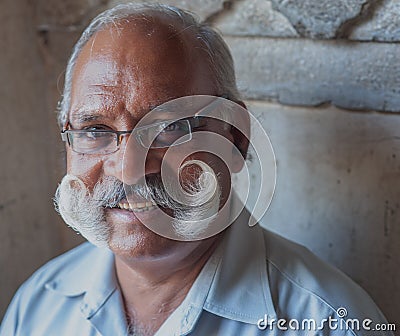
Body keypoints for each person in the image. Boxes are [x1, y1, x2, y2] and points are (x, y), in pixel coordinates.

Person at [0, 3, 393, 336]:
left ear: (237, 137)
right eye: (95, 130)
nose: (127, 170)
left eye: (170, 128)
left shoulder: (329, 321)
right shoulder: (39, 308)